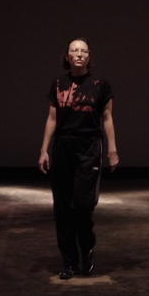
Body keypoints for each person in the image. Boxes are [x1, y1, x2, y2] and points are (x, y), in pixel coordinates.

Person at [38, 37, 119, 280]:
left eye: (83, 50)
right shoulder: (58, 83)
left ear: (89, 56)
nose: (79, 54)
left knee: (82, 206)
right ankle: (69, 262)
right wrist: (44, 150)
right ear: (68, 56)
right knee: (62, 207)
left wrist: (112, 150)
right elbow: (52, 118)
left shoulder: (100, 84)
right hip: (63, 146)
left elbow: (107, 118)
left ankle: (86, 247)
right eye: (74, 50)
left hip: (89, 146)